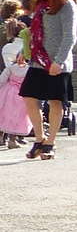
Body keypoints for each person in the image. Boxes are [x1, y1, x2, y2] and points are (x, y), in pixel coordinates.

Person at [19, 0, 76, 159]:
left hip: (57, 63)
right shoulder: (41, 7)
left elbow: (70, 37)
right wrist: (23, 51)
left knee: (55, 102)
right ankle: (39, 138)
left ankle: (50, 142)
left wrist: (59, 61)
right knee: (28, 96)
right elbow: (34, 33)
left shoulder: (67, 6)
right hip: (38, 60)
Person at [1, 18, 31, 149]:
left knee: (4, 113)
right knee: (18, 115)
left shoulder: (7, 48)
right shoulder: (27, 50)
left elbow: (2, 78)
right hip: (23, 91)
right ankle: (14, 139)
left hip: (7, 89)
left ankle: (1, 137)